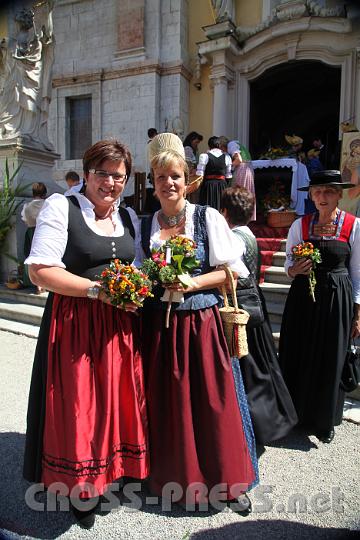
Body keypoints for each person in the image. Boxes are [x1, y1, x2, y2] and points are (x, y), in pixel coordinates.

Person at [22, 140, 149, 529]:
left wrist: (137, 288)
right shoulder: (62, 207)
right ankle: (81, 487)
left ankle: (116, 470)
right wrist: (97, 291)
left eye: (119, 176)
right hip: (76, 323)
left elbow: (137, 264)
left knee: (116, 399)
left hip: (119, 327)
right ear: (87, 172)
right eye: (103, 173)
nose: (110, 182)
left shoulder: (128, 216)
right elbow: (40, 270)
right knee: (81, 405)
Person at [141, 132, 257, 513]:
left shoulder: (206, 218)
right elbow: (141, 275)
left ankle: (228, 483)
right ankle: (172, 478)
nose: (169, 183)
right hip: (160, 326)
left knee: (214, 402)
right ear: (153, 183)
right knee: (168, 403)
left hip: (202, 324)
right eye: (161, 178)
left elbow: (232, 274)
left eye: (175, 176)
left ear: (187, 179)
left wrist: (191, 281)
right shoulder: (145, 226)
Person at [279, 170, 360, 444]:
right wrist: (295, 269)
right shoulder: (299, 226)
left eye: (328, 191)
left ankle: (325, 421)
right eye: (317, 192)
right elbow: (287, 267)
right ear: (311, 196)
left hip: (337, 299)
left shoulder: (354, 226)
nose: (322, 197)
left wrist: (357, 312)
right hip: (303, 297)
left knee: (331, 356)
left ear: (339, 194)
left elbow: (357, 272)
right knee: (297, 352)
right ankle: (295, 415)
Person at [220, 186, 298, 446]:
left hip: (242, 307)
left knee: (249, 369)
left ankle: (257, 424)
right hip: (255, 302)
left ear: (224, 212)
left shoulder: (233, 239)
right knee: (260, 366)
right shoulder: (249, 235)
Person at [21, 182, 48, 293]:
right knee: (46, 257)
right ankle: (45, 283)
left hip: (31, 232)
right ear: (44, 193)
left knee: (33, 258)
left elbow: (24, 219)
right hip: (45, 231)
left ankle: (38, 284)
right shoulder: (47, 204)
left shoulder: (27, 206)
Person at [197, 135, 232, 211]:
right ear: (219, 145)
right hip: (222, 186)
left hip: (208, 186)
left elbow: (200, 175)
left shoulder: (204, 156)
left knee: (207, 210)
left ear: (209, 145)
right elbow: (228, 176)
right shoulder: (227, 157)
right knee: (221, 209)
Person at [225, 138, 256, 222]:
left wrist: (228, 167)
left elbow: (239, 159)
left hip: (242, 169)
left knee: (239, 193)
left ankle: (238, 216)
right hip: (248, 168)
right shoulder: (239, 144)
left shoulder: (231, 144)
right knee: (247, 192)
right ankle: (246, 215)